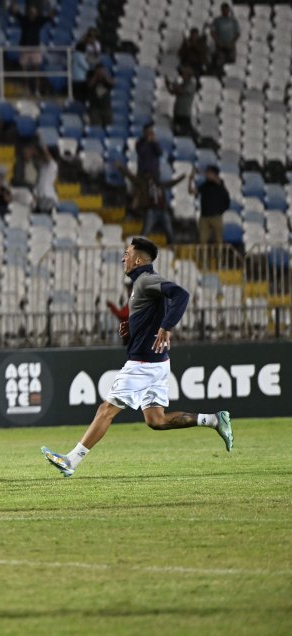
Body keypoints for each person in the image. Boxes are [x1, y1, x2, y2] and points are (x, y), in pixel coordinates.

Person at [42, 237, 233, 477]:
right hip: (158, 363)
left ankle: (71, 461)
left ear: (139, 260)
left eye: (127, 254)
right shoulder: (142, 284)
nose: (123, 258)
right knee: (156, 420)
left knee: (106, 410)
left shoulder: (146, 280)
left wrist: (166, 327)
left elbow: (181, 295)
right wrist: (134, 327)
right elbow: (157, 309)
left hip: (142, 364)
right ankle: (214, 420)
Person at [190, 165, 230, 245]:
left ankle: (219, 253)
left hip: (216, 216)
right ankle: (203, 253)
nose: (207, 175)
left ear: (215, 174)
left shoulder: (219, 184)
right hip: (204, 216)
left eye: (209, 172)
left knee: (218, 240)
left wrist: (201, 172)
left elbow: (216, 180)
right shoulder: (205, 185)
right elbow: (192, 191)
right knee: (202, 239)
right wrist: (190, 180)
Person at [167, 66, 197, 138]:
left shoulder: (191, 84)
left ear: (189, 75)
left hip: (185, 114)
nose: (182, 75)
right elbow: (172, 92)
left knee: (185, 133)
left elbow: (182, 91)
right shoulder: (182, 84)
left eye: (184, 74)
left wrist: (174, 84)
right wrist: (168, 84)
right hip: (177, 112)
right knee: (175, 132)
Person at [209, 2, 240, 72]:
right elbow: (212, 32)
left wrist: (232, 43)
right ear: (221, 10)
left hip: (230, 46)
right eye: (224, 10)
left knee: (231, 62)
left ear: (229, 10)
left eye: (227, 10)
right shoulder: (217, 20)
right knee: (220, 62)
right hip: (220, 46)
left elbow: (237, 33)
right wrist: (218, 42)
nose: (225, 11)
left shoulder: (233, 21)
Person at [86, 64, 114, 128]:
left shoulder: (106, 77)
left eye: (102, 70)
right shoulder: (90, 76)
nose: (101, 72)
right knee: (96, 127)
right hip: (95, 108)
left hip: (106, 108)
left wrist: (104, 76)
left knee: (108, 126)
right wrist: (96, 76)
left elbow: (112, 83)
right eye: (99, 70)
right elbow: (90, 85)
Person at [35, 145, 59, 213]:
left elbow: (47, 157)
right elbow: (38, 181)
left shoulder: (53, 165)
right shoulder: (41, 166)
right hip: (40, 196)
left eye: (48, 154)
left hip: (49, 196)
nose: (46, 156)